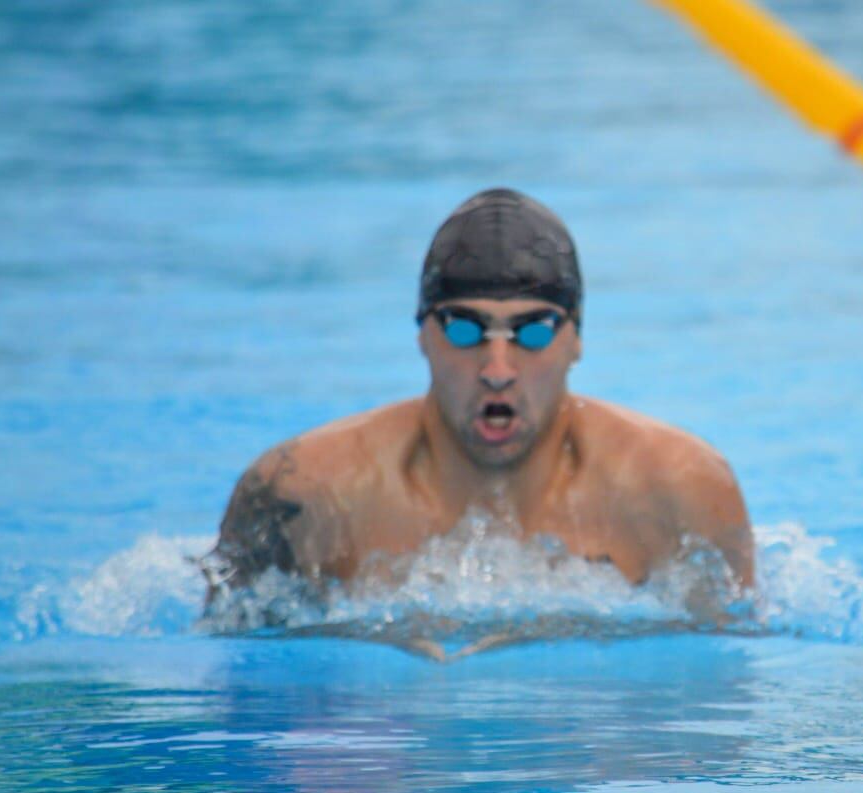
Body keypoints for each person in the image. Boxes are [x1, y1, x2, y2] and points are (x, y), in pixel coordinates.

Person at [205, 188, 754, 617]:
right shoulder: (306, 495)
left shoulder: (679, 489)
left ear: (576, 339)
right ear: (423, 334)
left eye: (532, 333)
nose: (497, 370)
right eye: (465, 331)